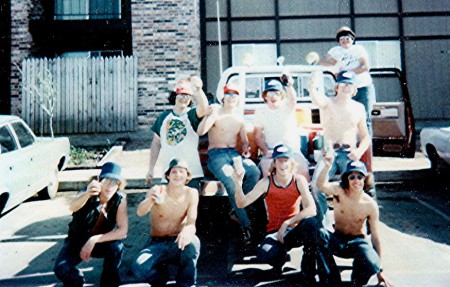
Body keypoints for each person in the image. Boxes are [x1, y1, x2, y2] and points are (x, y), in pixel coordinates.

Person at [232, 144, 327, 284]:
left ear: (291, 162)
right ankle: (280, 259)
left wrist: (287, 223)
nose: (283, 164)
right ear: (274, 163)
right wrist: (238, 184)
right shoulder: (266, 182)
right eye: (279, 160)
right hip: (275, 233)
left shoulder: (298, 180)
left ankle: (308, 272)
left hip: (294, 230)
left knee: (312, 224)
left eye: (286, 160)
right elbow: (241, 203)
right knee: (266, 254)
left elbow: (311, 209)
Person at [197, 84, 262, 244]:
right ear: (223, 97)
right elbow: (201, 132)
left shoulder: (239, 119)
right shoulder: (215, 113)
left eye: (235, 95)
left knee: (254, 171)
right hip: (216, 155)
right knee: (232, 182)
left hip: (234, 154)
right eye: (229, 94)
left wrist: (246, 150)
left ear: (238, 99)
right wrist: (208, 116)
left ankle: (238, 209)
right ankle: (246, 226)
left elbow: (245, 142)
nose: (232, 97)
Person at [316, 156, 394, 287]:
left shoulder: (370, 205)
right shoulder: (339, 191)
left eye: (360, 177)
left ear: (365, 179)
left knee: (372, 263)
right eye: (352, 177)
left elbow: (375, 237)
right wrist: (327, 166)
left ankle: (357, 281)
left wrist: (380, 271)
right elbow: (320, 185)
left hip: (357, 243)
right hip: (338, 239)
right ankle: (332, 281)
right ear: (347, 179)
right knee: (319, 234)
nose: (356, 181)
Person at [308, 70, 371, 226]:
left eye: (350, 84)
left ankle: (353, 222)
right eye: (343, 83)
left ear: (355, 88)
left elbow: (365, 137)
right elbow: (316, 97)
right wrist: (312, 85)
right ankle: (325, 224)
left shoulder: (359, 108)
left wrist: (358, 152)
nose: (346, 87)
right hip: (330, 154)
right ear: (336, 86)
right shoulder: (327, 102)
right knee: (316, 186)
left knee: (354, 188)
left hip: (350, 154)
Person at [54, 162, 128, 287]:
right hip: (76, 242)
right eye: (107, 180)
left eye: (115, 182)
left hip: (99, 243)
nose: (110, 186)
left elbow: (123, 231)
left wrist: (94, 240)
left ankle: (108, 283)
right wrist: (87, 194)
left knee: (117, 247)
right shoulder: (87, 192)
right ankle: (77, 281)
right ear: (99, 181)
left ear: (119, 185)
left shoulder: (119, 199)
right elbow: (73, 206)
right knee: (61, 269)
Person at [133, 158, 200, 287]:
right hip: (157, 243)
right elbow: (140, 212)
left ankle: (186, 283)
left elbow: (191, 223)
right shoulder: (158, 190)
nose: (178, 175)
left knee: (194, 242)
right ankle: (160, 278)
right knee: (138, 268)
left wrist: (186, 231)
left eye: (182, 172)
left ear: (187, 176)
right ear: (168, 175)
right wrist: (150, 199)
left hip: (178, 243)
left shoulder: (191, 193)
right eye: (174, 172)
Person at [319, 26, 376, 174]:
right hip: (343, 89)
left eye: (348, 38)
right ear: (339, 41)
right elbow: (322, 62)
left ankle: (366, 155)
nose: (346, 41)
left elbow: (365, 66)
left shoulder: (359, 50)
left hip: (362, 87)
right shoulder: (335, 51)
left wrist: (346, 74)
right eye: (342, 39)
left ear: (353, 39)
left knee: (365, 120)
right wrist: (331, 64)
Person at [146, 76, 209, 190]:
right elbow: (156, 143)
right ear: (175, 95)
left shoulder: (191, 114)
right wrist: (151, 168)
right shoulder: (163, 117)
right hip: (169, 172)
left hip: (191, 173)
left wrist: (198, 90)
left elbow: (204, 108)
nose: (184, 98)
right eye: (181, 94)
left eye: (187, 96)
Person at [253, 75, 310, 181]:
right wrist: (265, 151)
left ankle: (304, 197)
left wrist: (289, 85)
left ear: (282, 95)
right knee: (267, 174)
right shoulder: (260, 111)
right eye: (270, 93)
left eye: (277, 93)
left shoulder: (287, 107)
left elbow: (293, 99)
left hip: (292, 150)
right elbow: (257, 136)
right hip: (272, 151)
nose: (273, 96)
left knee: (303, 172)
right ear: (265, 96)